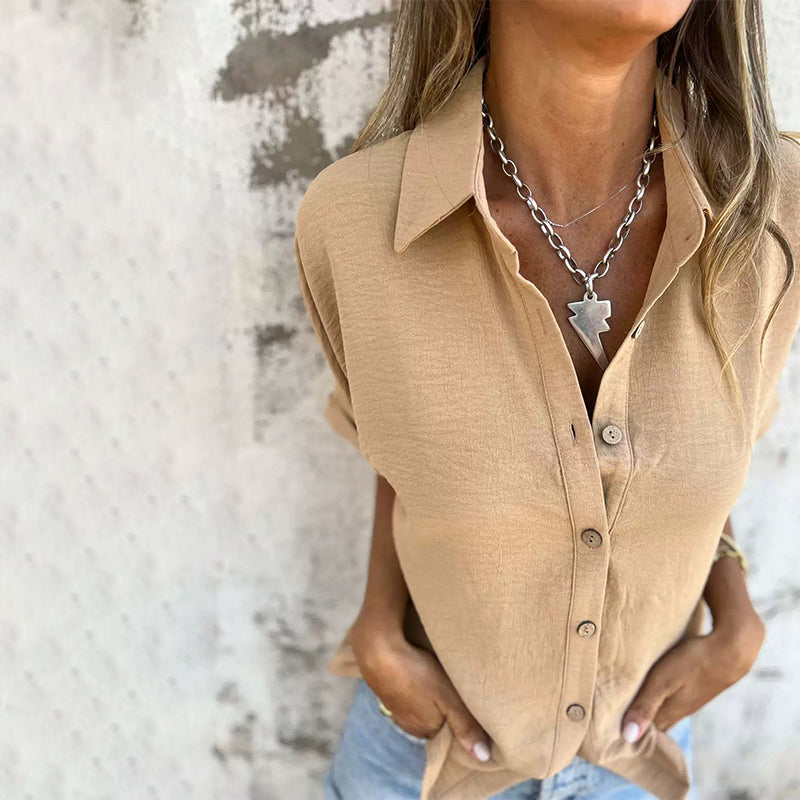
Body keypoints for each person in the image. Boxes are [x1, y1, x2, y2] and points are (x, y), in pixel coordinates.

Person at [293, 1, 800, 798]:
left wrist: (734, 610)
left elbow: (702, 442)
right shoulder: (357, 222)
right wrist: (378, 629)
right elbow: (396, 442)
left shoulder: (771, 213)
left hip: (638, 762)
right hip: (423, 763)